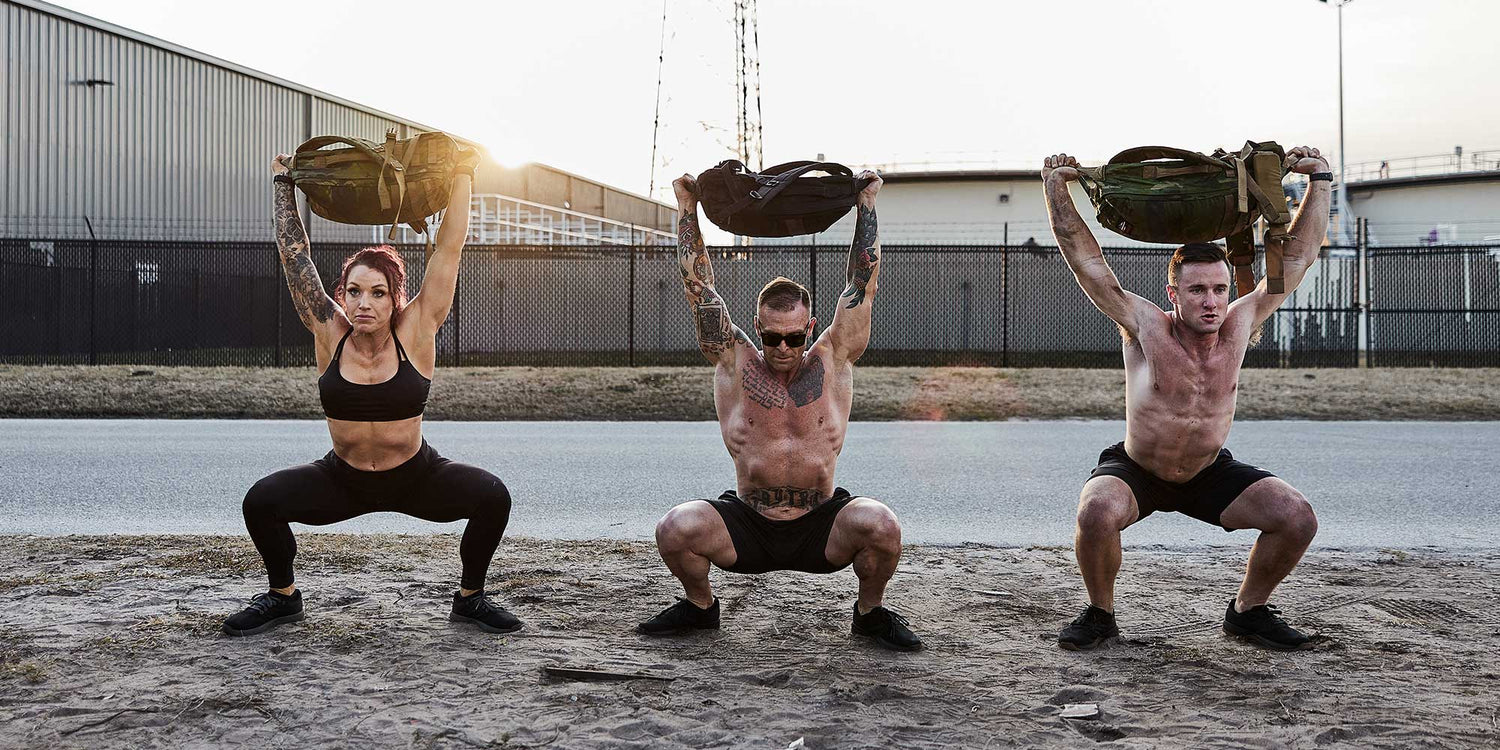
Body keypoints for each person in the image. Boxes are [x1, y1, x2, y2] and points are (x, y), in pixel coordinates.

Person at [1041, 146, 1333, 651]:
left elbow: (1299, 257)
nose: (1211, 301)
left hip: (1207, 471)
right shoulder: (1143, 327)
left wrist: (1321, 180)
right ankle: (1100, 614)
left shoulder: (1242, 322)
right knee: (1095, 513)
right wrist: (1056, 188)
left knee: (1297, 517)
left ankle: (1248, 612)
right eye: (1197, 290)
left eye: (1219, 289)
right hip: (1139, 469)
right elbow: (1086, 261)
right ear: (1173, 293)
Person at [221, 154, 520, 637]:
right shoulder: (327, 329)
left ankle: (470, 598)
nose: (364, 303)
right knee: (260, 502)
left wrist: (464, 173)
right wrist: (282, 183)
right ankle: (282, 596)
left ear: (394, 298)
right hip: (342, 480)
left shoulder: (417, 332)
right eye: (355, 291)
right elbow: (295, 257)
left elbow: (449, 250)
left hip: (416, 477)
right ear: (342, 293)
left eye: (378, 293)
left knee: (493, 497)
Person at [637, 170, 921, 651]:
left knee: (883, 526)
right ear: (756, 327)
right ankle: (701, 608)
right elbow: (698, 288)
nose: (783, 347)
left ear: (810, 326)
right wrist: (686, 207)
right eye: (771, 336)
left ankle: (869, 615)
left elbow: (862, 284)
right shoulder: (735, 361)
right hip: (748, 523)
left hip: (821, 524)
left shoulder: (834, 357)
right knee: (674, 529)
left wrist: (866, 205)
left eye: (794, 336)